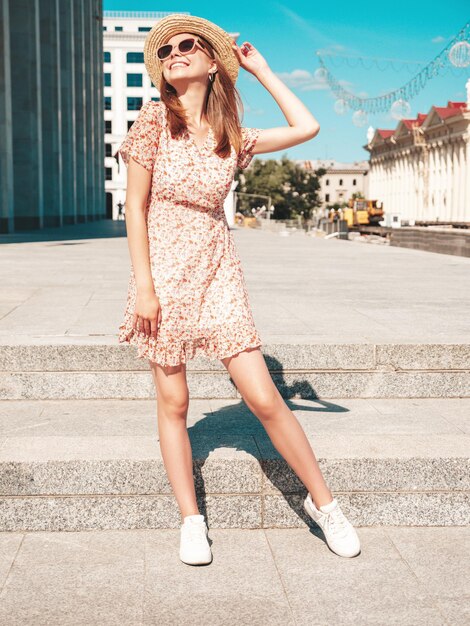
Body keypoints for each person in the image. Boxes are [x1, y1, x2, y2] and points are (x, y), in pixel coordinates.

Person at [117, 14, 361, 566]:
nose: (175, 52)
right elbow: (133, 208)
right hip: (164, 271)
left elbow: (307, 127)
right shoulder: (154, 120)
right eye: (168, 49)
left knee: (262, 396)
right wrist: (145, 289)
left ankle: (326, 505)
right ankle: (191, 520)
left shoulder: (233, 136)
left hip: (218, 269)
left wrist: (262, 70)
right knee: (175, 401)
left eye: (188, 46)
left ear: (210, 63)